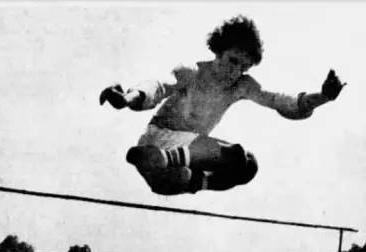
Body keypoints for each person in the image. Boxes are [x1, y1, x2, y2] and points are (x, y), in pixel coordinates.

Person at [100, 15, 346, 196]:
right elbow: (158, 86)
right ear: (217, 51)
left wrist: (323, 97)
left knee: (248, 165)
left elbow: (281, 101)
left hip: (188, 153)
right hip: (159, 138)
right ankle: (160, 160)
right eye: (232, 60)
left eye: (243, 67)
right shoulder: (192, 72)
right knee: (234, 154)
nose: (235, 71)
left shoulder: (242, 85)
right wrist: (128, 98)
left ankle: (183, 178)